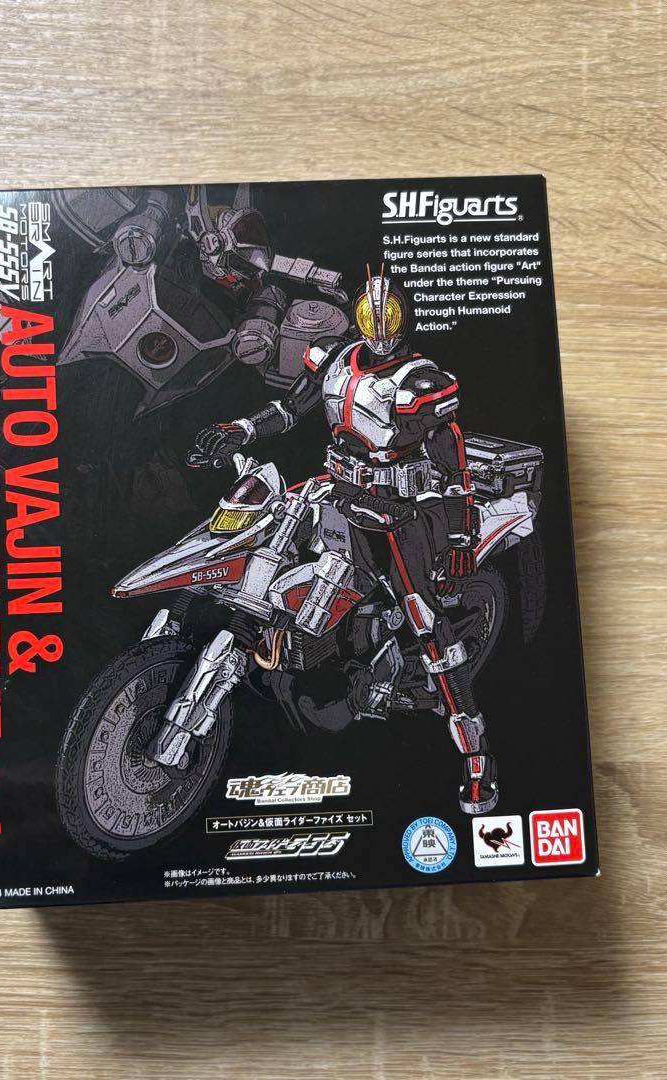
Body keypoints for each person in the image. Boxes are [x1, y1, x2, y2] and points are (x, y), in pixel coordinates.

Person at [189, 267, 498, 814]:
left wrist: (458, 534)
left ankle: (477, 760)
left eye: (389, 315)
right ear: (356, 316)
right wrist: (242, 429)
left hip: (394, 511)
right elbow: (288, 410)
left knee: (427, 623)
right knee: (263, 543)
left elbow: (452, 462)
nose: (378, 325)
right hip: (336, 490)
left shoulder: (421, 381)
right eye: (369, 315)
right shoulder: (332, 356)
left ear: (403, 317)